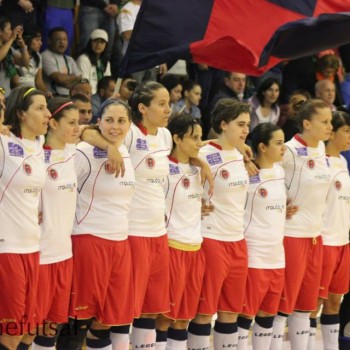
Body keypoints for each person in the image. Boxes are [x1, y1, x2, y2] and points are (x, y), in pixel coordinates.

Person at [66, 99, 135, 350]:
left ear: (130, 125)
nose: (115, 126)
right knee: (79, 318)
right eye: (109, 120)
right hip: (89, 239)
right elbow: (83, 132)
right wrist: (107, 146)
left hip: (120, 243)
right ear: (99, 122)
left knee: (107, 319)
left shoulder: (127, 147)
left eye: (121, 121)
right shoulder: (84, 151)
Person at [270, 99, 333, 350]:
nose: (330, 126)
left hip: (315, 238)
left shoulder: (323, 152)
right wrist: (276, 207)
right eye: (324, 122)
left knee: (306, 306)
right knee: (283, 306)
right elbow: (261, 178)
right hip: (292, 236)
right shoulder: (288, 151)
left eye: (330, 121)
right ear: (307, 123)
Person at [17, 98, 80, 350]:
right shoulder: (35, 155)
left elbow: (95, 133)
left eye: (79, 122)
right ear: (52, 123)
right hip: (40, 256)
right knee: (26, 331)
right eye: (71, 123)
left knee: (50, 329)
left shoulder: (74, 152)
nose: (77, 128)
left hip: (64, 254)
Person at [188, 99, 250, 349]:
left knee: (231, 312)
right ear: (223, 124)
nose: (246, 130)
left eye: (248, 125)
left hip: (238, 240)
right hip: (212, 239)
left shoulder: (242, 153)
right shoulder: (202, 155)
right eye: (240, 124)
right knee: (204, 311)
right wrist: (196, 206)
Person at [0, 86, 50, 350]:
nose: (47, 114)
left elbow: (85, 129)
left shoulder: (40, 144)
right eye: (40, 108)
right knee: (9, 333)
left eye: (47, 108)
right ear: (20, 113)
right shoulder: (4, 142)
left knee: (27, 331)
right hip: (7, 248)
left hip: (33, 248)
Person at [155, 115, 206, 350]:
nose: (200, 142)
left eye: (201, 137)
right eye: (194, 138)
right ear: (176, 138)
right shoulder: (164, 167)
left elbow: (223, 143)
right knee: (164, 317)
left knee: (184, 318)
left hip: (196, 249)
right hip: (172, 248)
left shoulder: (198, 169)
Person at [237, 123, 288, 350]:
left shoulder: (279, 171)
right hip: (254, 256)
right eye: (278, 143)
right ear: (262, 147)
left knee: (267, 316)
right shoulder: (246, 174)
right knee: (244, 316)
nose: (283, 148)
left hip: (277, 257)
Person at [307, 111, 350, 350]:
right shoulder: (319, 162)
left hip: (342, 241)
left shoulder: (342, 161)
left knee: (335, 302)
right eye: (346, 131)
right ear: (331, 133)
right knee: (315, 303)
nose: (349, 136)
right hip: (323, 242)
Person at [42, 27, 81, 97]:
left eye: (65, 39)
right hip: (54, 97)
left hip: (70, 96)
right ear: (49, 41)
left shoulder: (69, 59)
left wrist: (65, 80)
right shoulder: (45, 56)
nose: (62, 42)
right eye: (58, 39)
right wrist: (72, 77)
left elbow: (79, 78)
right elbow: (59, 78)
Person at [76, 29, 111, 94]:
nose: (98, 45)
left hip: (102, 96)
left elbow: (107, 83)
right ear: (90, 43)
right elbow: (84, 82)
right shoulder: (83, 59)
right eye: (95, 41)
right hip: (89, 95)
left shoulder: (106, 62)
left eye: (102, 42)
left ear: (106, 45)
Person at [0, 16, 27, 95]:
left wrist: (23, 46)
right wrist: (12, 39)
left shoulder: (8, 49)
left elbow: (24, 62)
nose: (11, 32)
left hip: (7, 95)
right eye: (9, 29)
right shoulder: (6, 48)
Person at [17, 28, 49, 93]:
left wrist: (47, 93)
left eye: (40, 40)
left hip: (32, 91)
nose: (41, 43)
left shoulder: (38, 56)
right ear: (27, 40)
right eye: (37, 40)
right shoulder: (16, 53)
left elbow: (39, 81)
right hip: (19, 90)